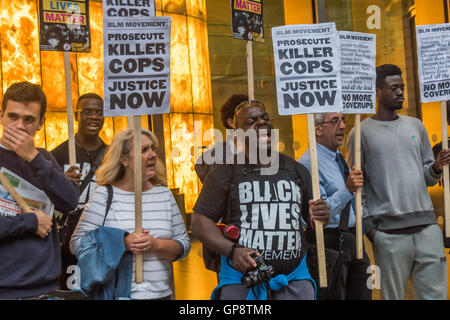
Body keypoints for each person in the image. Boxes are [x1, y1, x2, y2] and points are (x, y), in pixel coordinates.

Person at [191, 100, 330, 300]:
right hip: (242, 282)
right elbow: (199, 222)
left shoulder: (296, 170)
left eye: (265, 118)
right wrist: (232, 251)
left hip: (294, 279)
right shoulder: (225, 172)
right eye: (252, 120)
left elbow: (312, 219)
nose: (261, 122)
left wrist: (320, 216)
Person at [346, 64, 450, 300]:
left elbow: (427, 178)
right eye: (394, 88)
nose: (401, 92)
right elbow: (355, 187)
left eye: (402, 87)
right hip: (388, 235)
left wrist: (435, 167)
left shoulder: (416, 126)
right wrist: (372, 232)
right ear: (378, 91)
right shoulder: (360, 133)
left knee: (436, 296)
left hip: (427, 228)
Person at [71, 129, 191, 300]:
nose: (152, 155)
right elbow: (77, 244)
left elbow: (184, 246)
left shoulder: (164, 195)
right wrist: (122, 243)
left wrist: (156, 245)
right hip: (116, 296)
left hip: (162, 296)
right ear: (124, 159)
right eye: (143, 150)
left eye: (152, 148)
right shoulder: (104, 195)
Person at [0, 81, 79, 299]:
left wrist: (33, 157)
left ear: (41, 123)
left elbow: (70, 201)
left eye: (29, 120)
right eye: (13, 116)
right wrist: (31, 222)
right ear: (1, 116)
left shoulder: (43, 158)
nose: (19, 125)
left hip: (47, 289)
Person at [299, 112, 371, 300]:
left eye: (343, 120)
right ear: (317, 128)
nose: (342, 126)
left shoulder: (338, 158)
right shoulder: (308, 163)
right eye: (334, 121)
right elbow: (318, 213)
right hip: (330, 243)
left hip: (353, 241)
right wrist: (347, 189)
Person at [51, 93, 108, 290]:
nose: (94, 116)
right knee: (72, 291)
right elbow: (44, 199)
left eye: (99, 112)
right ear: (76, 116)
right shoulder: (57, 154)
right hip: (68, 242)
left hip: (101, 238)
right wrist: (61, 183)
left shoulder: (112, 156)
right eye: (88, 112)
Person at [195, 94, 248, 183]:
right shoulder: (215, 158)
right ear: (231, 122)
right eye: (249, 117)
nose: (259, 122)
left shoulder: (263, 153)